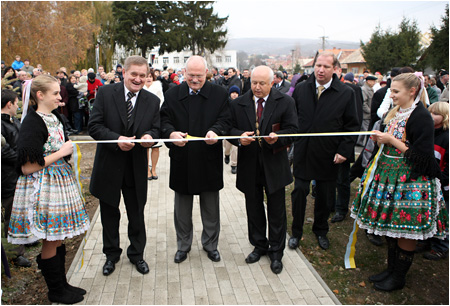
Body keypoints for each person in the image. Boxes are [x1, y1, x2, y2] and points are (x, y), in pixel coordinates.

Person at [351, 73, 448, 291]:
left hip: (410, 182)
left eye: (396, 91)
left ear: (412, 91)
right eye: (391, 90)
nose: (391, 95)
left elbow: (424, 158)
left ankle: (398, 277)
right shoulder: (396, 113)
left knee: (404, 230)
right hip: (390, 178)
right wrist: (381, 139)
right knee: (392, 227)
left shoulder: (421, 115)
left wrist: (392, 140)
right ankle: (391, 270)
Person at [7, 75, 90, 304]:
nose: (60, 97)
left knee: (59, 237)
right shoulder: (33, 122)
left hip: (59, 184)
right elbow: (26, 167)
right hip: (43, 187)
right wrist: (62, 153)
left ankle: (62, 284)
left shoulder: (54, 117)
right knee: (51, 239)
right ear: (40, 95)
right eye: (55, 93)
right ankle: (56, 290)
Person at [88, 56, 160, 276]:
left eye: (142, 75)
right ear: (123, 73)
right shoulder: (106, 94)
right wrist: (116, 139)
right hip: (109, 164)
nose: (138, 79)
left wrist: (149, 135)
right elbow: (94, 126)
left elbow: (156, 129)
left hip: (136, 167)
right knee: (110, 214)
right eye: (134, 75)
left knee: (136, 213)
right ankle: (111, 255)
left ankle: (137, 255)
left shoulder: (152, 100)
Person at [160, 55, 231, 264]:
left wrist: (216, 131)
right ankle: (183, 245)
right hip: (183, 158)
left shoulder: (219, 94)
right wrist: (171, 134)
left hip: (209, 158)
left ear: (206, 73)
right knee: (182, 208)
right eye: (191, 75)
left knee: (210, 207)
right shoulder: (173, 94)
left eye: (199, 75)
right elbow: (164, 119)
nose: (195, 79)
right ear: (184, 73)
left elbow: (225, 119)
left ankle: (211, 245)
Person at [229, 65, 298, 274]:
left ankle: (277, 253)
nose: (257, 87)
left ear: (272, 82)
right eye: (254, 83)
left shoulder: (285, 101)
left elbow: (293, 130)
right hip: (249, 165)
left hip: (274, 165)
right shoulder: (239, 103)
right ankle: (259, 245)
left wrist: (279, 138)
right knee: (254, 208)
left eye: (262, 83)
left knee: (277, 211)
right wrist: (239, 137)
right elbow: (229, 129)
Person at [289, 51, 359, 250]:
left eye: (326, 67)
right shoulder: (302, 89)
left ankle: (321, 230)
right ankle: (296, 231)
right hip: (304, 151)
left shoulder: (346, 93)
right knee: (300, 191)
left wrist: (344, 150)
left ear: (335, 69)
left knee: (324, 195)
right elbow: (293, 117)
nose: (320, 70)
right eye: (318, 65)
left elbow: (352, 126)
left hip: (329, 154)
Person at [1, 89, 32, 268]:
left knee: (21, 210)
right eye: (16, 102)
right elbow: (3, 150)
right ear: (9, 104)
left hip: (19, 174)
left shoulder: (14, 121)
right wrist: (21, 159)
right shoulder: (1, 125)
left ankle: (24, 239)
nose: (18, 105)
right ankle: (15, 253)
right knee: (11, 214)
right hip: (7, 176)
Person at [416, 102, 449, 260]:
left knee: (442, 215)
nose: (432, 116)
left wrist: (443, 180)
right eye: (431, 112)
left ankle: (441, 246)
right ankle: (427, 240)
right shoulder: (427, 133)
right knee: (428, 213)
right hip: (428, 181)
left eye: (436, 114)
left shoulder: (446, 138)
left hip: (443, 185)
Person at [142, 70, 164, 180]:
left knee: (156, 147)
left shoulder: (158, 87)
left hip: (156, 119)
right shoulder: (140, 88)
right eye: (146, 76)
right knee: (145, 146)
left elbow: (162, 102)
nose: (149, 79)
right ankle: (146, 169)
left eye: (150, 76)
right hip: (143, 120)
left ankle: (154, 169)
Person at [223, 85, 240, 174]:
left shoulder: (240, 103)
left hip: (237, 129)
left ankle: (234, 165)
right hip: (228, 128)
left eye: (236, 93)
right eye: (233, 93)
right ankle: (226, 155)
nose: (234, 95)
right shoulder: (226, 103)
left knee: (235, 148)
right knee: (227, 147)